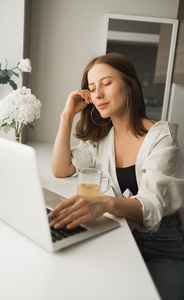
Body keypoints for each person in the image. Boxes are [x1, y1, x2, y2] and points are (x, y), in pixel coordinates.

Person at [51, 52, 184, 300]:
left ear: (130, 85)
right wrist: (66, 116)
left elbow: (152, 204)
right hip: (122, 232)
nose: (98, 94)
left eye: (106, 83)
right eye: (92, 88)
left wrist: (105, 203)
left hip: (164, 241)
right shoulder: (103, 136)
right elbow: (62, 169)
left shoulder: (161, 136)